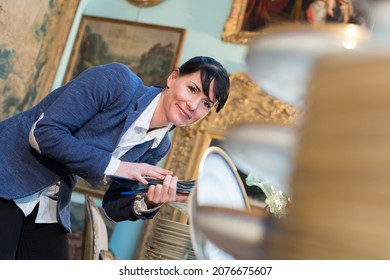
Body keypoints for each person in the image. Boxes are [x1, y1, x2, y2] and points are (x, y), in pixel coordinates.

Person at [0, 56, 230, 259]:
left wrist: (149, 202)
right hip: (8, 172)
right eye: (192, 89)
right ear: (172, 78)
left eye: (206, 104)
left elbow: (113, 206)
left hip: (49, 201)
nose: (193, 106)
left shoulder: (159, 146)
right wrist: (120, 167)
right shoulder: (117, 81)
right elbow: (44, 134)